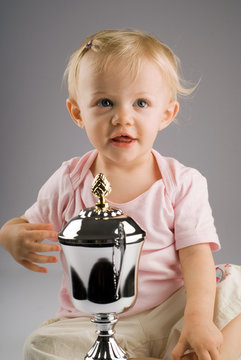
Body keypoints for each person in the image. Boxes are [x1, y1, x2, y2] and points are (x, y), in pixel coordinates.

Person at [0, 29, 241, 360]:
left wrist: (197, 320)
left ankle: (188, 346)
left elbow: (196, 256)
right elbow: (24, 222)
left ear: (166, 114)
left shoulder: (182, 182)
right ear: (78, 113)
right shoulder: (69, 180)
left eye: (141, 103)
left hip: (171, 313)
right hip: (90, 323)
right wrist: (9, 235)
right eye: (104, 102)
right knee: (40, 346)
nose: (122, 117)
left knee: (234, 285)